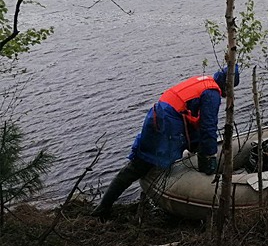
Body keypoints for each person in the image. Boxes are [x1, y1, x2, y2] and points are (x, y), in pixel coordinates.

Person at [91, 65, 240, 220]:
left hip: (159, 115)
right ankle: (103, 208)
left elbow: (194, 120)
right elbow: (208, 127)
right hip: (166, 124)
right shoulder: (212, 93)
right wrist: (210, 156)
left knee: (142, 162)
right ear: (228, 85)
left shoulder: (205, 81)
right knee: (138, 166)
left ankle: (104, 206)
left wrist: (200, 148)